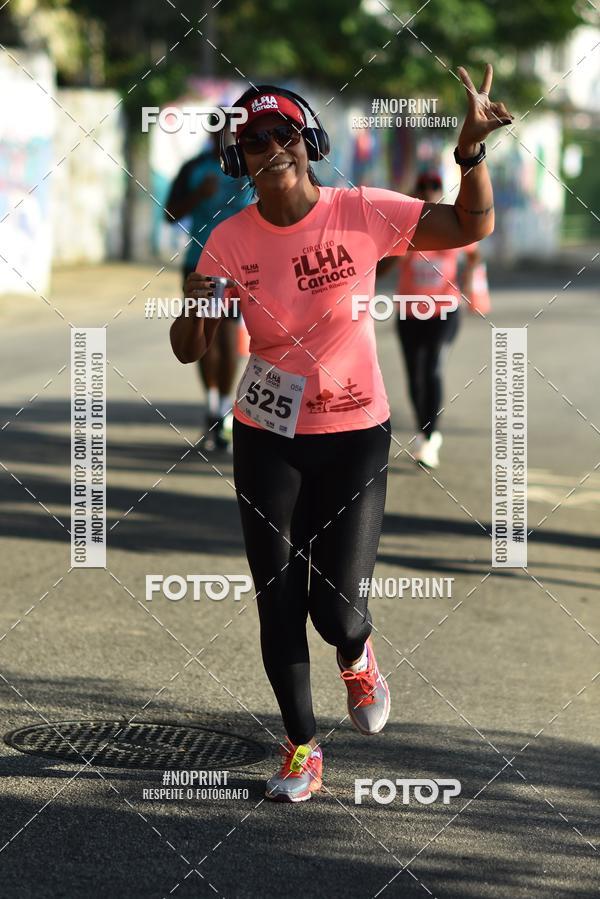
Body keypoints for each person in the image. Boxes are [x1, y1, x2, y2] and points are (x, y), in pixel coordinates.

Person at [170, 67, 512, 802]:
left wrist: (472, 156)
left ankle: (357, 654)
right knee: (277, 597)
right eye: (252, 140)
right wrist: (197, 307)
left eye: (282, 133)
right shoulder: (226, 242)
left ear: (307, 140)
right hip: (266, 435)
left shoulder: (361, 212)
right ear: (240, 158)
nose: (269, 148)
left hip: (355, 431)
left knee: (337, 610)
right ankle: (301, 750)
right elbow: (189, 349)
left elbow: (472, 225)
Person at [164, 124, 252, 450]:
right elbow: (169, 214)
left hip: (238, 266)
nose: (224, 136)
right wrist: (197, 197)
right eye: (219, 129)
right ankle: (212, 403)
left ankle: (226, 408)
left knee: (229, 336)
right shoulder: (194, 168)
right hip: (199, 264)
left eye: (232, 130)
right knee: (201, 335)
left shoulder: (249, 165)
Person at [386, 170, 481, 468]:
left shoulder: (451, 223)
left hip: (444, 311)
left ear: (441, 190)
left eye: (434, 186)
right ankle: (422, 433)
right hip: (409, 310)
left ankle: (433, 436)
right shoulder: (403, 225)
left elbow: (474, 254)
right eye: (422, 186)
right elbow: (385, 265)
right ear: (415, 190)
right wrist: (401, 246)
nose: (428, 191)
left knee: (434, 369)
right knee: (415, 375)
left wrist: (467, 284)